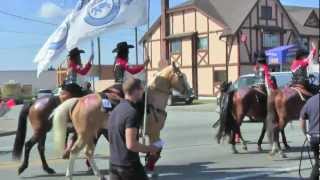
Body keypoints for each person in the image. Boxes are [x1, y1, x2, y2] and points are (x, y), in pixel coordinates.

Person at [108, 78, 160, 180]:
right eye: (141, 89)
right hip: (129, 167)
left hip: (113, 165)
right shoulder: (132, 113)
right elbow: (131, 144)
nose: (143, 92)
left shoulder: (115, 110)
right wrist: (150, 149)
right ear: (135, 90)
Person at [300, 93, 319, 180]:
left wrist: (306, 134)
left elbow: (302, 119)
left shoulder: (310, 100)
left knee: (318, 162)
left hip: (314, 137)